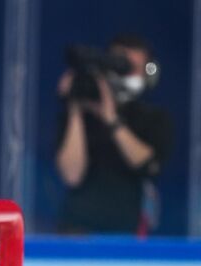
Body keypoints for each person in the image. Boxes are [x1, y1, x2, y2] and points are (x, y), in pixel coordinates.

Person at [55, 34, 174, 234]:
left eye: (137, 68)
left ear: (148, 72)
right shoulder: (80, 114)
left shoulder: (155, 118)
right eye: (123, 65)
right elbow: (71, 175)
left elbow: (147, 164)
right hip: (77, 232)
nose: (129, 73)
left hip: (129, 233)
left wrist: (111, 119)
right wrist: (75, 110)